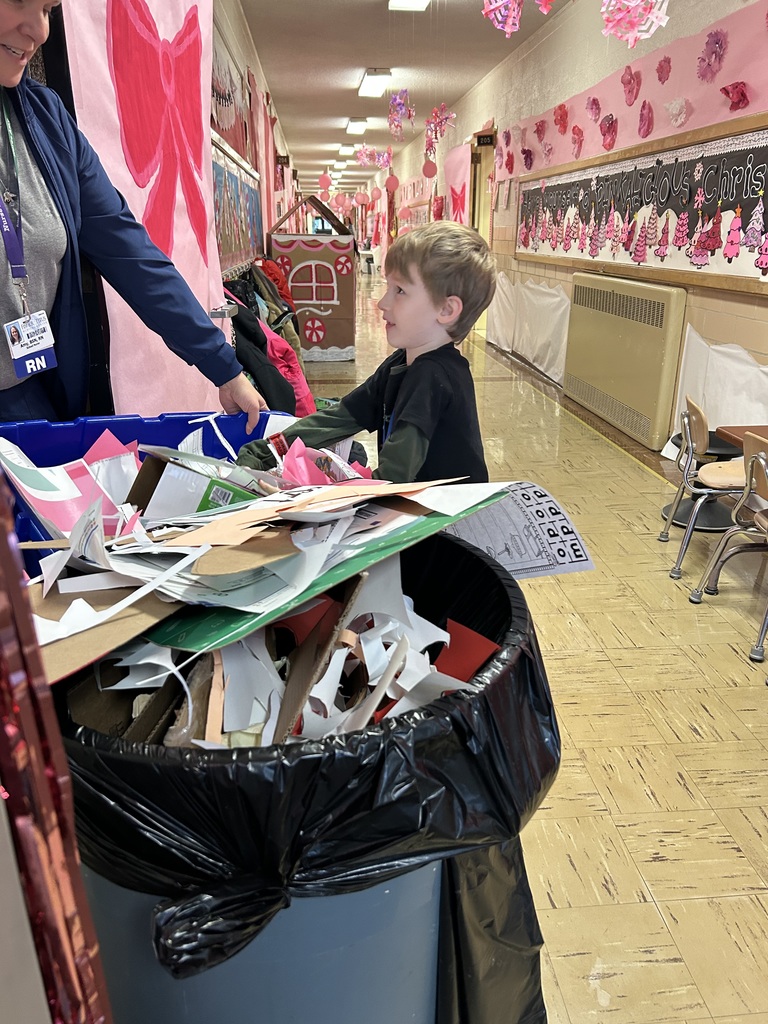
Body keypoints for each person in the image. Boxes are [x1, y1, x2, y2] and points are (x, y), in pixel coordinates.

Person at [0, 1, 266, 427]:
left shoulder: (47, 123)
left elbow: (131, 253)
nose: (40, 30)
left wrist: (223, 365)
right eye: (19, 2)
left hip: (24, 401)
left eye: (48, 9)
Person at [238, 221, 496, 483]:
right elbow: (339, 418)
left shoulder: (432, 376)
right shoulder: (402, 362)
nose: (383, 303)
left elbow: (393, 480)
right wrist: (266, 451)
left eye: (400, 291)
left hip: (448, 517)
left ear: (446, 310)